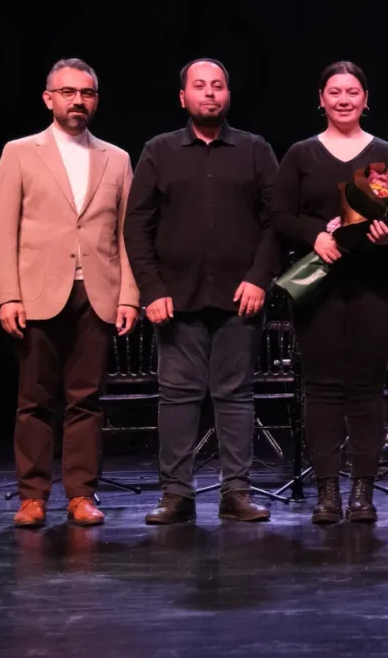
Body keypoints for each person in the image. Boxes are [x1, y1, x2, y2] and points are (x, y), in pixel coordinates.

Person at [124, 58, 278, 524]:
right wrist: (152, 289)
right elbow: (136, 225)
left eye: (217, 86)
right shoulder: (159, 150)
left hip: (241, 296)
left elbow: (276, 222)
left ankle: (236, 493)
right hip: (176, 299)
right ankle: (177, 494)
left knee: (235, 394)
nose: (209, 93)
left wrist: (259, 277)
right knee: (177, 395)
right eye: (199, 86)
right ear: (183, 97)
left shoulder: (255, 149)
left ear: (228, 96)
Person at [0, 58, 139, 528]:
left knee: (86, 399)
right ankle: (33, 497)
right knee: (34, 398)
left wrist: (129, 295)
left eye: (87, 93)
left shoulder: (116, 158)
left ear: (96, 100)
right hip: (37, 292)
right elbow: (2, 229)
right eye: (68, 92)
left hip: (96, 291)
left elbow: (126, 234)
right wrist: (7, 294)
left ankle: (80, 495)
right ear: (48, 98)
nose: (78, 101)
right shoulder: (19, 152)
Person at [273, 61, 388, 524]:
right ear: (321, 99)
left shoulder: (387, 153)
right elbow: (279, 214)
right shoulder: (301, 154)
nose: (343, 100)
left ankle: (362, 492)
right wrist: (315, 234)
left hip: (375, 286)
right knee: (321, 389)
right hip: (320, 287)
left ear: (365, 99)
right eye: (334, 92)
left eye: (352, 92)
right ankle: (327, 492)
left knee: (367, 388)